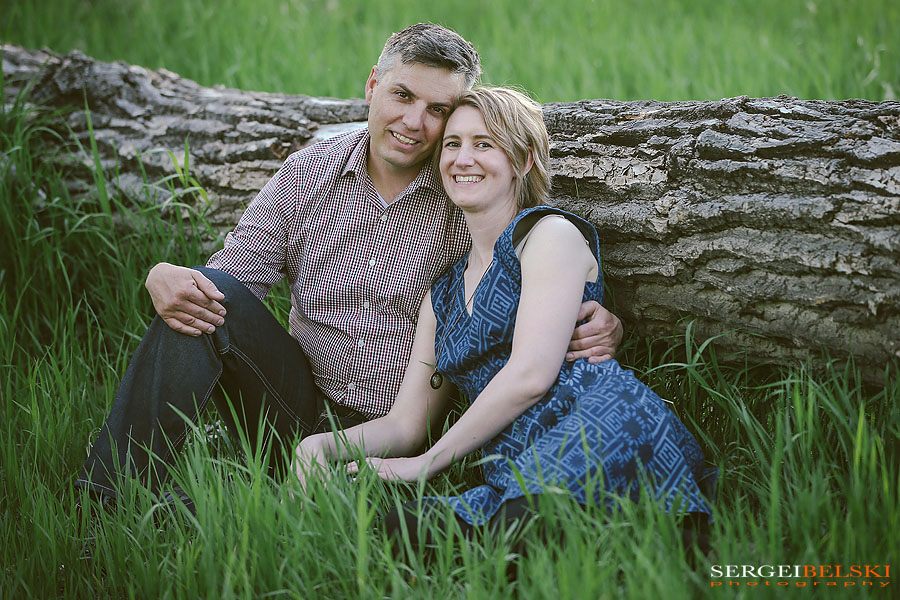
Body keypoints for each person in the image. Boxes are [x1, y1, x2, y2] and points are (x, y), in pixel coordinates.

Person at [74, 24, 622, 510]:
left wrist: (597, 318)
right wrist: (164, 275)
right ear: (372, 87)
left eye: (437, 111)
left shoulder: (465, 187)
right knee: (201, 297)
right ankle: (114, 493)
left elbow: (521, 274)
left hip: (404, 425)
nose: (414, 122)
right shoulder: (312, 173)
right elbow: (231, 280)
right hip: (294, 403)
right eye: (402, 95)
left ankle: (243, 506)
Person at [293, 87, 713, 552]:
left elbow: (531, 376)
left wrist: (430, 462)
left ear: (524, 160)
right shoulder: (445, 291)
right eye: (452, 144)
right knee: (402, 530)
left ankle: (666, 539)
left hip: (598, 427)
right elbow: (406, 425)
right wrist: (318, 447)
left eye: (484, 144)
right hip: (518, 461)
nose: (463, 158)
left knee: (520, 532)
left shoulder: (546, 235)